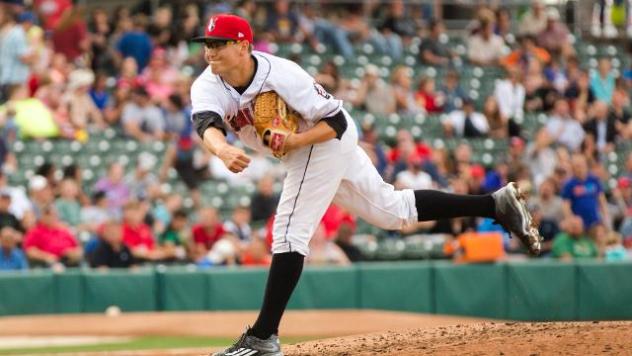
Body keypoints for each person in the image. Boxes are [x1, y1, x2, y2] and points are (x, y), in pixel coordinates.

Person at [189, 14, 542, 356]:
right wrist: (221, 151)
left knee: (287, 232)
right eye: (207, 44)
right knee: (394, 212)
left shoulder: (282, 74)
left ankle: (263, 336)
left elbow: (338, 122)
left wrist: (294, 142)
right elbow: (207, 122)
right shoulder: (207, 83)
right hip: (306, 150)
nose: (210, 51)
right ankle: (495, 204)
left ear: (243, 46)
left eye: (219, 44)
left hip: (322, 141)